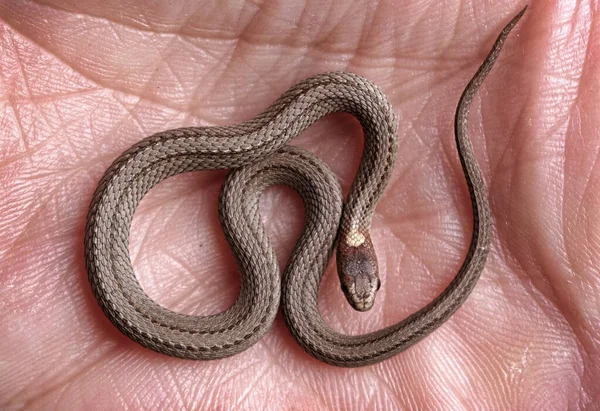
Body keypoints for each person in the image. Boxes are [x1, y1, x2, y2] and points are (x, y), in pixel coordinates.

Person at [1, 0, 597, 408]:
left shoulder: (336, 195)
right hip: (255, 181)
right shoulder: (317, 188)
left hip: (290, 194)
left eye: (354, 289)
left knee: (241, 201)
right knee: (236, 189)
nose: (359, 300)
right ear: (354, 255)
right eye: (361, 286)